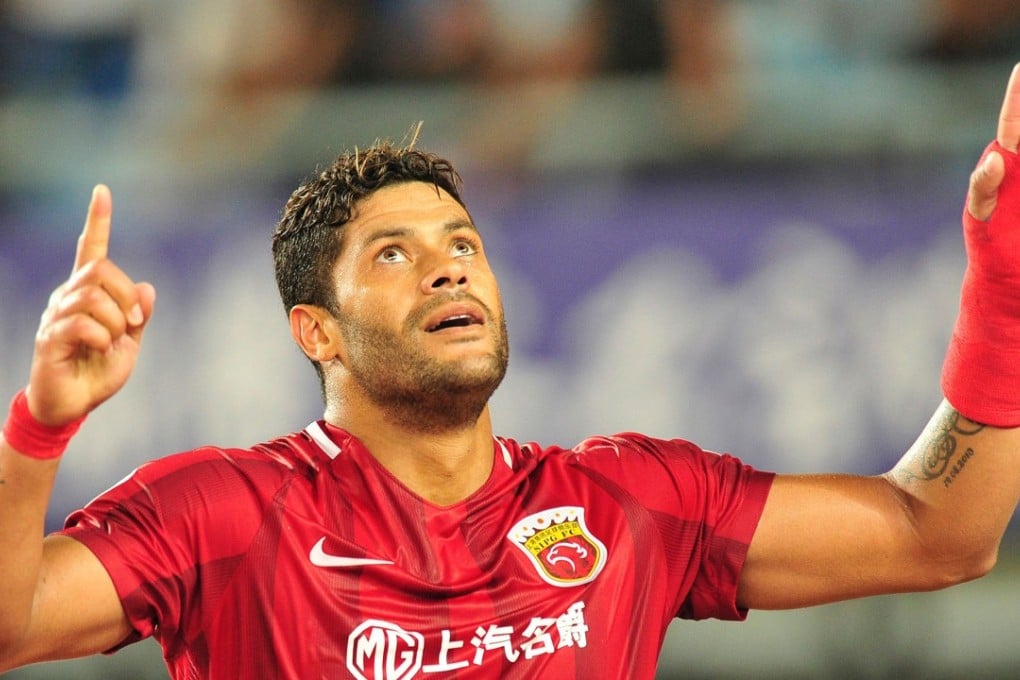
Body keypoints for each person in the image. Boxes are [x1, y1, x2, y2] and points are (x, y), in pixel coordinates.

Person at [2, 65, 1020, 679]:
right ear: (316, 331)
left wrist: (1005, 297)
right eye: (392, 252)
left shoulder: (626, 501)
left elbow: (941, 531)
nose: (448, 261)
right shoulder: (225, 513)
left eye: (463, 241)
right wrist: (38, 432)